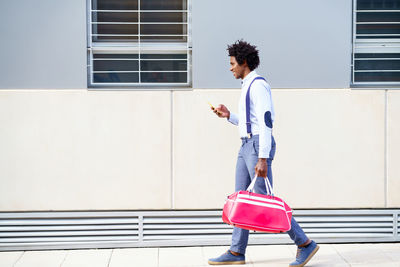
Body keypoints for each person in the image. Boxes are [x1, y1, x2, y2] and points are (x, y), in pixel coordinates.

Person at [208, 40, 319, 267]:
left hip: (258, 147)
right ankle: (237, 252)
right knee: (241, 199)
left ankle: (304, 243)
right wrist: (229, 115)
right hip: (246, 144)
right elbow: (252, 123)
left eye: (232, 63)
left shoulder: (258, 85)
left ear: (244, 63)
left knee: (266, 201)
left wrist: (263, 157)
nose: (230, 68)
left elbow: (266, 123)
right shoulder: (247, 85)